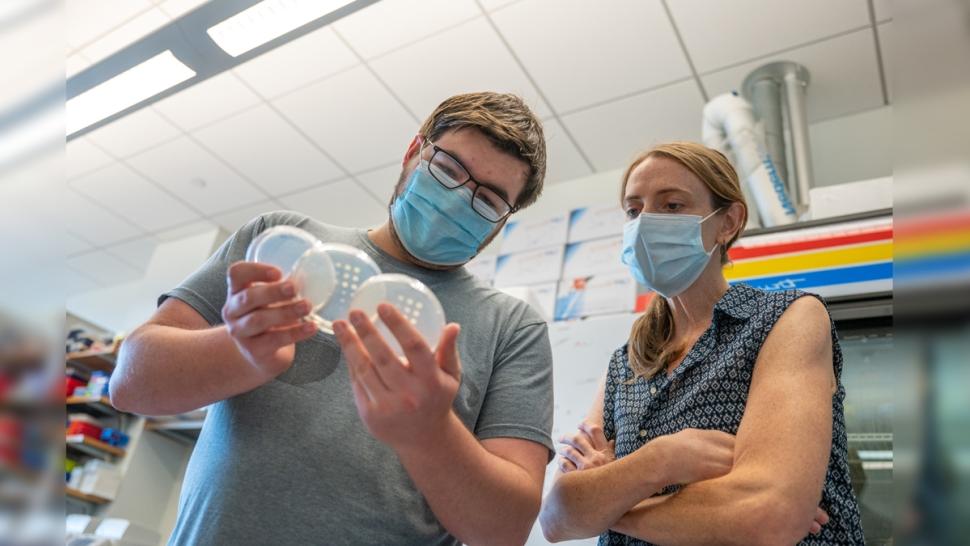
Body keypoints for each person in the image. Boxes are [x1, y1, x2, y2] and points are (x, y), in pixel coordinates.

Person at [109, 92, 555, 546]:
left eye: (490, 199)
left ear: (504, 220)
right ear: (413, 152)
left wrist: (430, 433)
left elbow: (505, 530)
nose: (459, 199)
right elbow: (129, 383)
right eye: (448, 169)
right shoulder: (283, 243)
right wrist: (240, 350)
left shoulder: (513, 329)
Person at [538, 141, 865, 545]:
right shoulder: (625, 364)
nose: (646, 223)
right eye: (633, 210)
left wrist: (609, 500)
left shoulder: (785, 318)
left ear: (727, 222)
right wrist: (663, 460)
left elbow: (766, 515)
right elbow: (556, 518)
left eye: (672, 205)